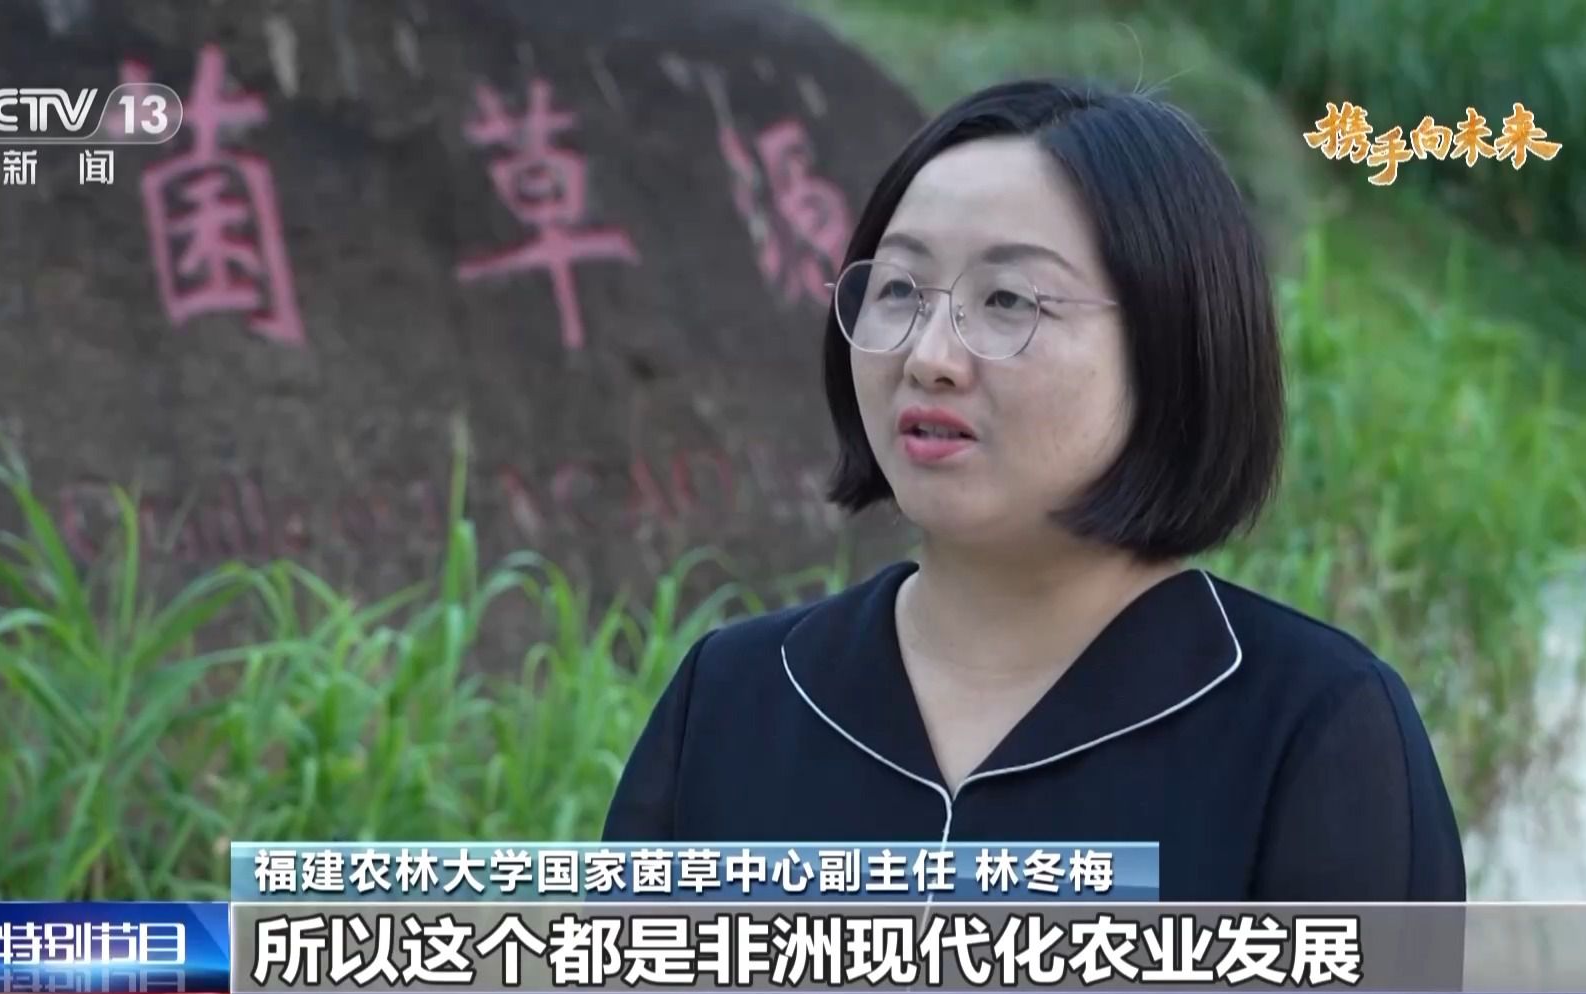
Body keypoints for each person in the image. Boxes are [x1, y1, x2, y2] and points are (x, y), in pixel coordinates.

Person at [603, 80, 1466, 902]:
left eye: (1008, 300)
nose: (929, 356)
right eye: (899, 289)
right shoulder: (736, 697)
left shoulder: (1314, 727)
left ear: (1172, 343)